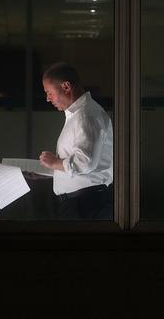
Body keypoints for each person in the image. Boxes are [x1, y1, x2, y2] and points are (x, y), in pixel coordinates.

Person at [38, 62, 113, 219]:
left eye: (49, 92)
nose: (47, 98)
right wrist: (50, 171)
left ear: (66, 87)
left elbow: (85, 162)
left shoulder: (86, 115)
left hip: (85, 205)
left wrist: (54, 163)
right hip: (82, 203)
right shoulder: (79, 115)